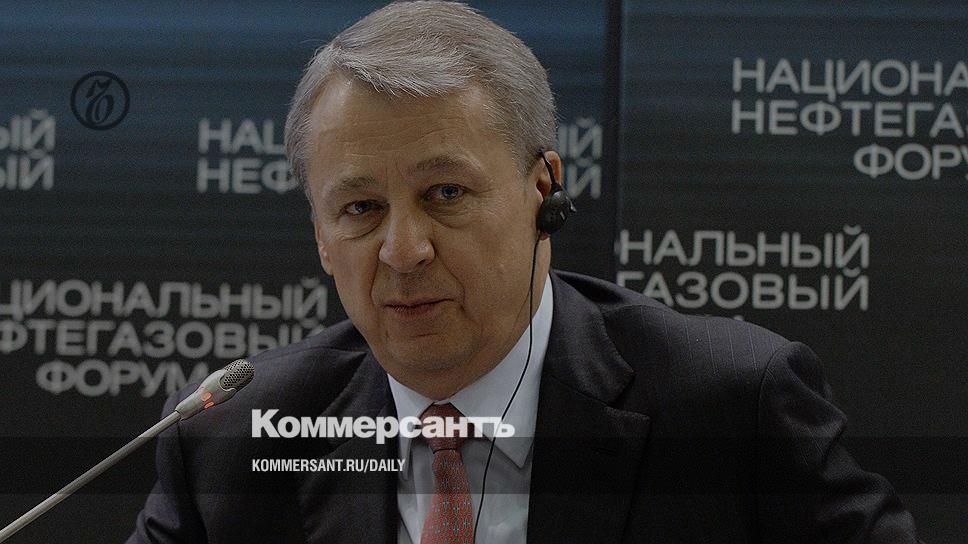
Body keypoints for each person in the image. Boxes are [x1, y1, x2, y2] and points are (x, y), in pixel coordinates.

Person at [128, 1, 920, 542]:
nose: (403, 251)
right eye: (361, 208)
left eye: (446, 194)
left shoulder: (728, 408)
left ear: (545, 192)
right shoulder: (231, 440)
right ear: (321, 239)